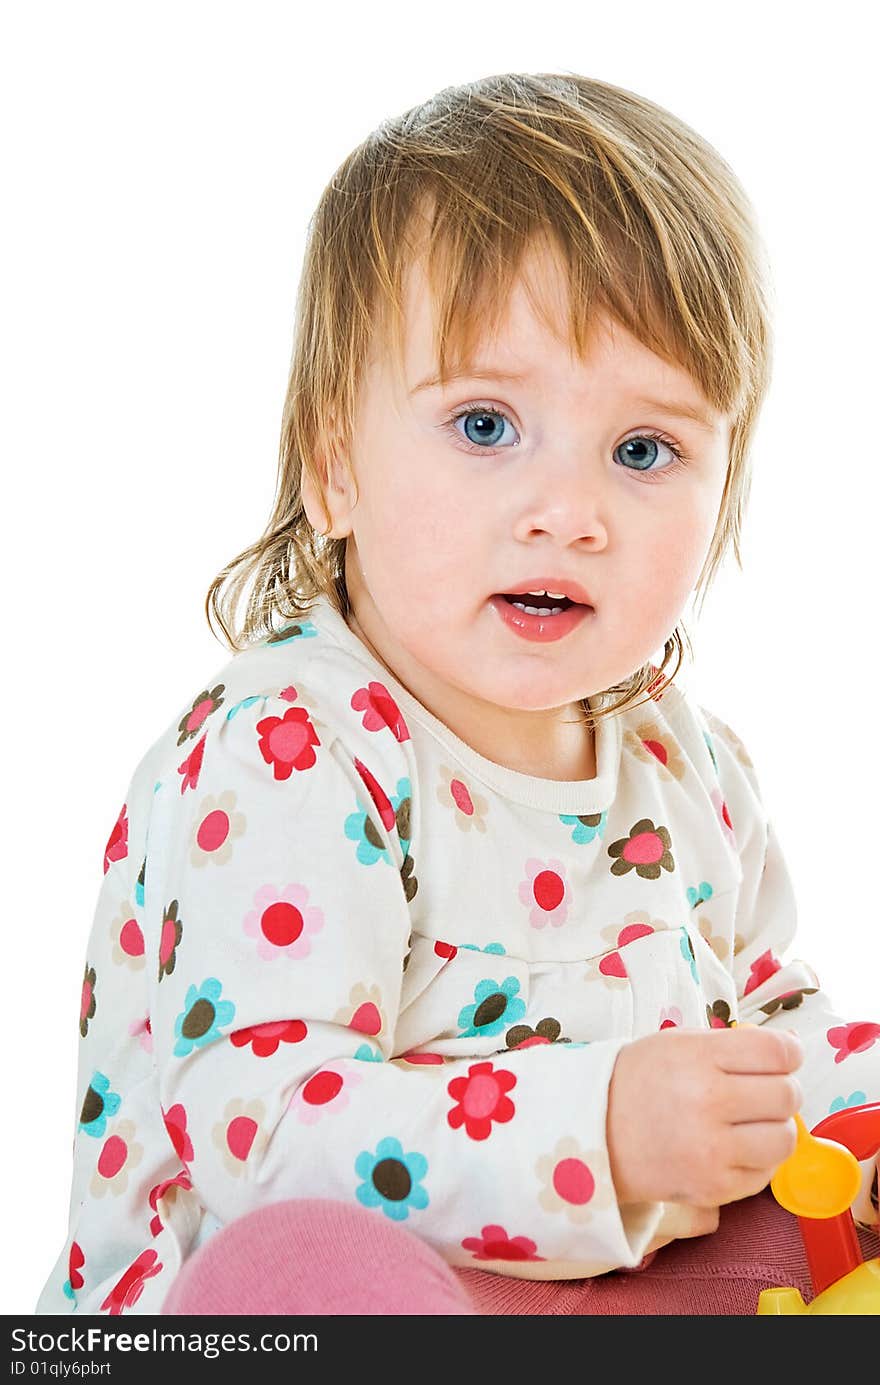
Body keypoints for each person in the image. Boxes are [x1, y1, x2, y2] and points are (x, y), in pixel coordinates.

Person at [37, 70, 880, 1318]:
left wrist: (841, 1103)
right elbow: (261, 1133)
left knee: (822, 1222)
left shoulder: (681, 764)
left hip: (605, 1287)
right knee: (300, 1271)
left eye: (643, 451)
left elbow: (766, 1020)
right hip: (298, 1296)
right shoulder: (288, 749)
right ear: (334, 471)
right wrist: (599, 1126)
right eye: (485, 425)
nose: (567, 513)